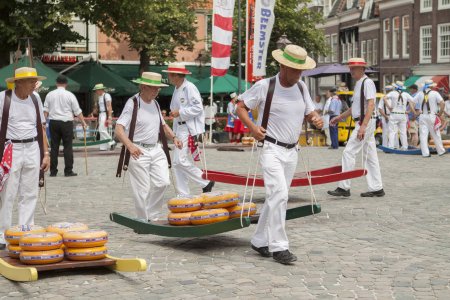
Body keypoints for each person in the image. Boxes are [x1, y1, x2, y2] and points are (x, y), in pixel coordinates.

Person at [236, 44, 323, 264]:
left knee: (275, 197)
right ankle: (279, 247)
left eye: (301, 70)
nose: (299, 74)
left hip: (292, 151)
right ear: (283, 66)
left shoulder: (302, 87)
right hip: (271, 149)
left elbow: (309, 110)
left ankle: (258, 240)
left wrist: (315, 118)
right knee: (280, 195)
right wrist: (253, 128)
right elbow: (240, 106)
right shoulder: (266, 86)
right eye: (295, 69)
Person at [115, 72, 182, 221]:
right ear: (143, 87)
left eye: (158, 89)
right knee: (142, 188)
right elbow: (118, 129)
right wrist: (130, 146)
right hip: (138, 150)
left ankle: (152, 214)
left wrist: (174, 137)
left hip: (156, 148)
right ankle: (142, 219)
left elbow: (163, 125)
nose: (157, 92)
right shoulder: (133, 103)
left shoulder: (156, 104)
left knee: (163, 182)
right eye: (154, 88)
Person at [0, 67, 50, 249]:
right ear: (18, 82)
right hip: (11, 147)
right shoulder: (3, 98)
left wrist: (46, 153)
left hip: (32, 147)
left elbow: (42, 128)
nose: (34, 84)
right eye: (30, 81)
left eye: (34, 81)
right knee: (8, 192)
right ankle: (3, 234)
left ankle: (25, 230)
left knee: (30, 192)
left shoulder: (36, 99)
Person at [328, 57, 384, 198]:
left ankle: (344, 187)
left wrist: (363, 126)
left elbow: (371, 105)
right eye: (350, 68)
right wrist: (339, 117)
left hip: (365, 122)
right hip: (364, 121)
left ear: (362, 69)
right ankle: (377, 188)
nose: (351, 70)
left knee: (349, 152)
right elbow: (355, 108)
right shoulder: (359, 84)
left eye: (354, 68)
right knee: (370, 156)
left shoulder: (367, 83)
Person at [164, 62, 215, 196]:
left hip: (187, 127)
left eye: (170, 74)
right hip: (180, 127)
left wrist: (180, 112)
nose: (168, 77)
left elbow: (198, 108)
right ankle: (183, 193)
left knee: (179, 160)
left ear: (177, 76)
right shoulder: (177, 88)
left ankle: (205, 180)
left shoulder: (189, 88)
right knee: (176, 162)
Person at [44, 75, 86, 177]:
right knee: (68, 146)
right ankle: (68, 170)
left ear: (56, 83)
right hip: (66, 122)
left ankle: (53, 171)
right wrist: (83, 122)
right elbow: (77, 111)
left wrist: (43, 123)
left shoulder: (50, 94)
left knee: (54, 147)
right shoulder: (70, 95)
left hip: (54, 122)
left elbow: (45, 110)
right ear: (66, 84)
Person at [412, 79, 446, 157]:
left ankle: (425, 153)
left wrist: (414, 112)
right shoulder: (435, 93)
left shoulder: (420, 93)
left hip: (422, 116)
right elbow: (442, 103)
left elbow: (412, 102)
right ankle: (440, 151)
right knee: (436, 134)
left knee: (423, 135)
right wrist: (440, 114)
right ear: (431, 86)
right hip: (432, 115)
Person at [386, 81, 415, 150]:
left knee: (392, 131)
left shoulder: (392, 93)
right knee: (403, 132)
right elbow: (413, 101)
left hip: (394, 114)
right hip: (403, 114)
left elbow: (384, 98)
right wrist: (410, 110)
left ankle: (391, 146)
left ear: (395, 87)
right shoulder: (406, 94)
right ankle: (404, 147)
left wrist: (388, 106)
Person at [91, 83, 116, 151]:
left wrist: (109, 117)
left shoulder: (106, 95)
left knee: (101, 130)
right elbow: (98, 107)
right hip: (101, 114)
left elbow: (109, 106)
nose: (96, 92)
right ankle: (103, 147)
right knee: (102, 130)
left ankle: (112, 142)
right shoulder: (99, 97)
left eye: (96, 90)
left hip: (105, 114)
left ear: (100, 90)